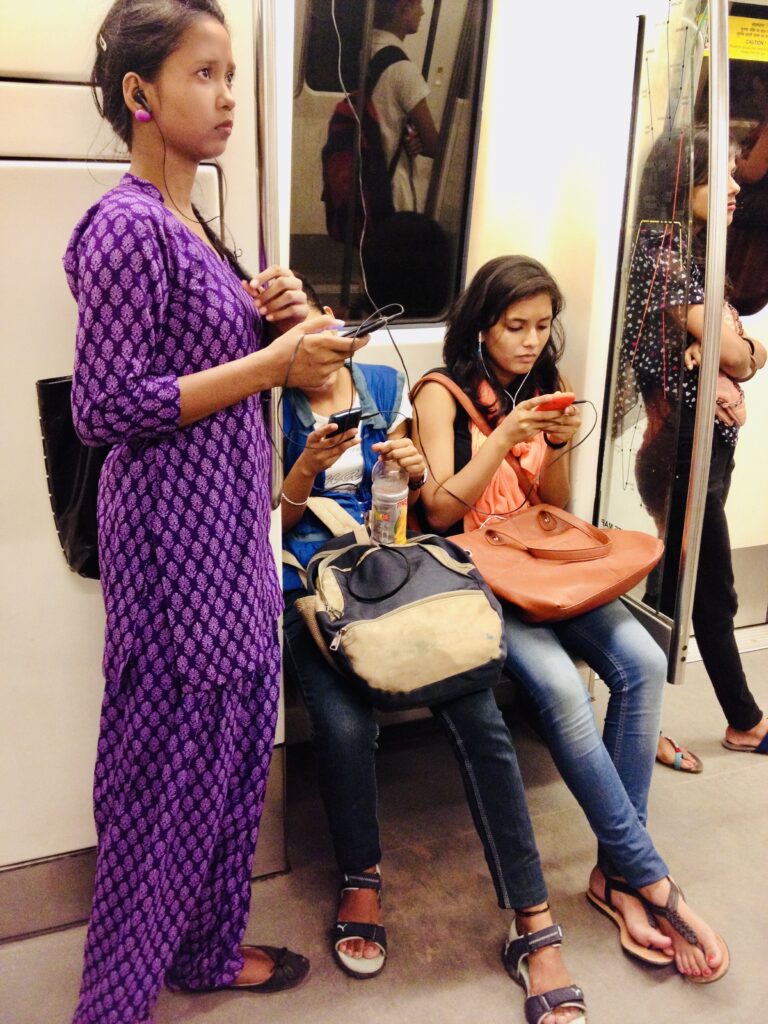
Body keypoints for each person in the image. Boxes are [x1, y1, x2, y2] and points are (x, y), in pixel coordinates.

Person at [64, 3, 368, 1022]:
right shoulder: (123, 229)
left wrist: (278, 317)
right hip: (170, 546)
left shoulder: (197, 223)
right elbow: (104, 407)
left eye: (233, 72)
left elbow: (227, 372)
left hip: (232, 536)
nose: (230, 94)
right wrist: (268, 360)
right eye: (205, 74)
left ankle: (201, 948)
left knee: (235, 756)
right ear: (141, 94)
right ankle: (114, 1002)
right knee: (161, 778)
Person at [412, 254, 729, 983]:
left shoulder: (548, 385)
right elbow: (438, 511)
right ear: (482, 325)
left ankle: (617, 873)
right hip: (477, 569)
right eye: (514, 326)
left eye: (543, 325)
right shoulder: (440, 390)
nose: (530, 340)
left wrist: (552, 448)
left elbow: (549, 499)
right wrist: (502, 433)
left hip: (540, 556)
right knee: (559, 687)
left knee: (644, 661)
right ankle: (644, 878)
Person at [281, 283, 587, 1024]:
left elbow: (424, 509)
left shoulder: (383, 384)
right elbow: (265, 519)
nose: (315, 344)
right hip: (312, 578)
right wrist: (303, 471)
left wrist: (411, 469)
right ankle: (361, 876)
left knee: (479, 714)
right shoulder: (266, 405)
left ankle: (533, 921)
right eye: (292, 338)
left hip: (395, 563)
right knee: (348, 724)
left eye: (322, 325)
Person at [619, 131, 767, 763]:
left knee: (675, 585)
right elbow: (737, 352)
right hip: (680, 444)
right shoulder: (662, 254)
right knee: (709, 589)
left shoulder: (690, 250)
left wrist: (739, 351)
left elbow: (737, 351)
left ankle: (640, 721)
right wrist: (741, 352)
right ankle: (746, 720)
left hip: (702, 441)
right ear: (683, 183)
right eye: (721, 177)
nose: (736, 187)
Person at [371, 0, 439, 212]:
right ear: (403, 9)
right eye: (418, 4)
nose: (423, 11)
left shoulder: (365, 49)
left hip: (365, 181)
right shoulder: (402, 69)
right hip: (392, 192)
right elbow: (433, 145)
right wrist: (420, 139)